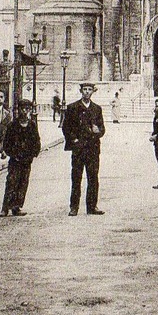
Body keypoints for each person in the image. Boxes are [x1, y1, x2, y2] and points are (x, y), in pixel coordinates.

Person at [62, 82, 105, 216]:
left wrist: (98, 131)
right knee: (76, 178)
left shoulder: (97, 109)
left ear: (93, 91)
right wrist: (73, 140)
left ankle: (92, 206)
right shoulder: (72, 107)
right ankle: (74, 207)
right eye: (84, 89)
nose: (87, 92)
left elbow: (102, 129)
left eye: (89, 90)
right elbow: (66, 127)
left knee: (93, 177)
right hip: (78, 149)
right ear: (81, 91)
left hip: (92, 149)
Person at [0, 99, 41, 216]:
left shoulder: (32, 125)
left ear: (30, 110)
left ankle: (17, 206)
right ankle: (5, 208)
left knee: (23, 182)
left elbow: (36, 141)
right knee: (11, 182)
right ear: (18, 110)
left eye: (27, 109)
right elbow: (7, 143)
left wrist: (33, 154)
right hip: (15, 159)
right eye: (22, 109)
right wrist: (12, 154)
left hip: (26, 160)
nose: (24, 111)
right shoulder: (13, 125)